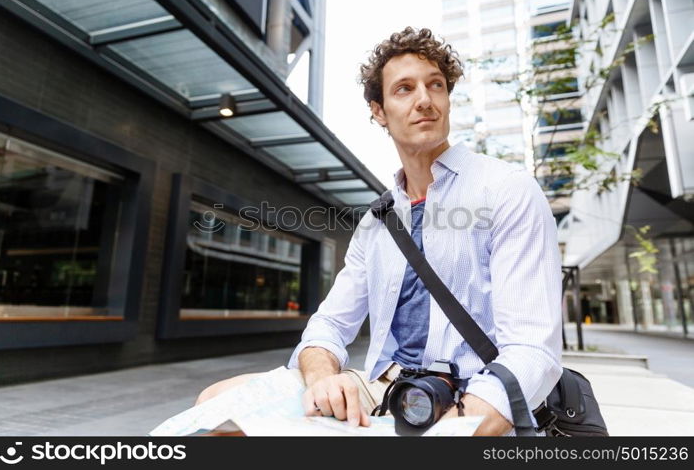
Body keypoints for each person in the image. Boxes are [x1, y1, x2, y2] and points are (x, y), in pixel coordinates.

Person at [196, 27, 563, 436]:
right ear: (379, 110)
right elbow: (328, 326)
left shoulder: (507, 190)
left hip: (468, 397)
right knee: (217, 405)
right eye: (404, 89)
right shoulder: (377, 220)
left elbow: (532, 350)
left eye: (435, 85)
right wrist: (322, 380)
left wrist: (459, 426)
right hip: (384, 391)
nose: (425, 99)